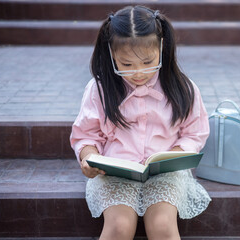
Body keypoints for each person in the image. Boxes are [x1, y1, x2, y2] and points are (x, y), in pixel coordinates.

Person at [70, 5, 211, 240]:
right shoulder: (100, 89)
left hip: (166, 173)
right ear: (112, 54)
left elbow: (194, 133)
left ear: (161, 48)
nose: (138, 72)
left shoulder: (182, 88)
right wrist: (88, 157)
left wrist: (175, 154)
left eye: (147, 62)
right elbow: (87, 135)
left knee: (163, 225)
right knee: (119, 227)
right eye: (126, 65)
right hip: (115, 172)